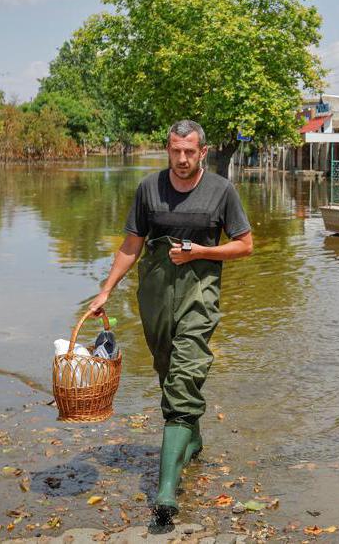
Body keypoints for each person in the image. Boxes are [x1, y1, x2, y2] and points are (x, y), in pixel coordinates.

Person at [88, 119, 253, 525]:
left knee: (184, 374)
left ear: (203, 151)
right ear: (168, 149)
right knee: (167, 368)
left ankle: (166, 494)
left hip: (199, 295)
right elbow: (132, 244)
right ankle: (191, 436)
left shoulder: (221, 191)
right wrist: (107, 289)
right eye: (175, 151)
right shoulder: (149, 189)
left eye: (189, 152)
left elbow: (244, 245)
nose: (182, 159)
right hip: (155, 295)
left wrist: (200, 251)